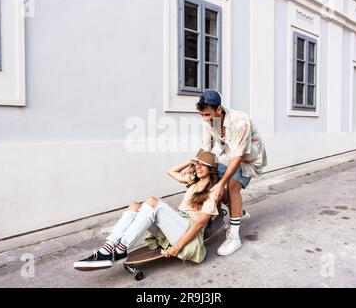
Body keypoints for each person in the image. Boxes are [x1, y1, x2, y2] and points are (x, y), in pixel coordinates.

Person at [73, 150, 221, 270]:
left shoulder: (213, 191)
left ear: (212, 169)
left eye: (204, 165)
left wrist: (177, 246)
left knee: (152, 202)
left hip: (188, 234)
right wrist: (192, 160)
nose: (199, 167)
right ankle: (108, 248)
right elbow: (170, 171)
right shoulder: (192, 180)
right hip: (176, 224)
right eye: (197, 164)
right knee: (134, 206)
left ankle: (121, 248)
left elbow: (199, 224)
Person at [196, 89, 267, 256]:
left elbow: (238, 156)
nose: (204, 119)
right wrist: (195, 168)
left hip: (249, 159)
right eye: (202, 115)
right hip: (229, 156)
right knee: (209, 176)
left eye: (207, 115)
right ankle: (239, 212)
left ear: (219, 109)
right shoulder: (211, 122)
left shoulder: (240, 121)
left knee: (231, 186)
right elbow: (206, 150)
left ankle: (235, 238)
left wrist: (222, 184)